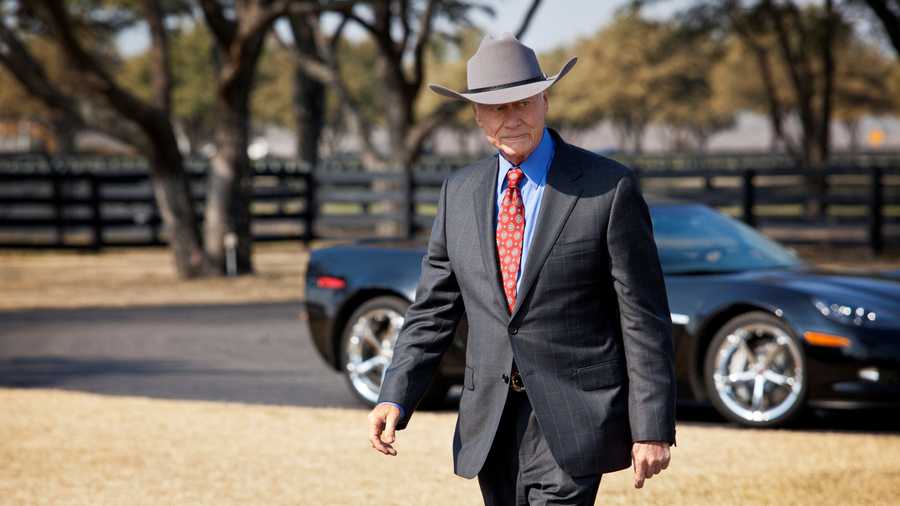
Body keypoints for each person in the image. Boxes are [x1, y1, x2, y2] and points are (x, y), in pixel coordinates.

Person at [367, 32, 676, 506]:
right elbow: (432, 310)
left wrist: (652, 427)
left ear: (545, 100)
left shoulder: (608, 188)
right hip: (489, 423)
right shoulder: (459, 192)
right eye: (496, 108)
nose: (511, 118)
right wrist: (395, 395)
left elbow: (643, 315)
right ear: (476, 114)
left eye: (522, 103)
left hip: (577, 417)